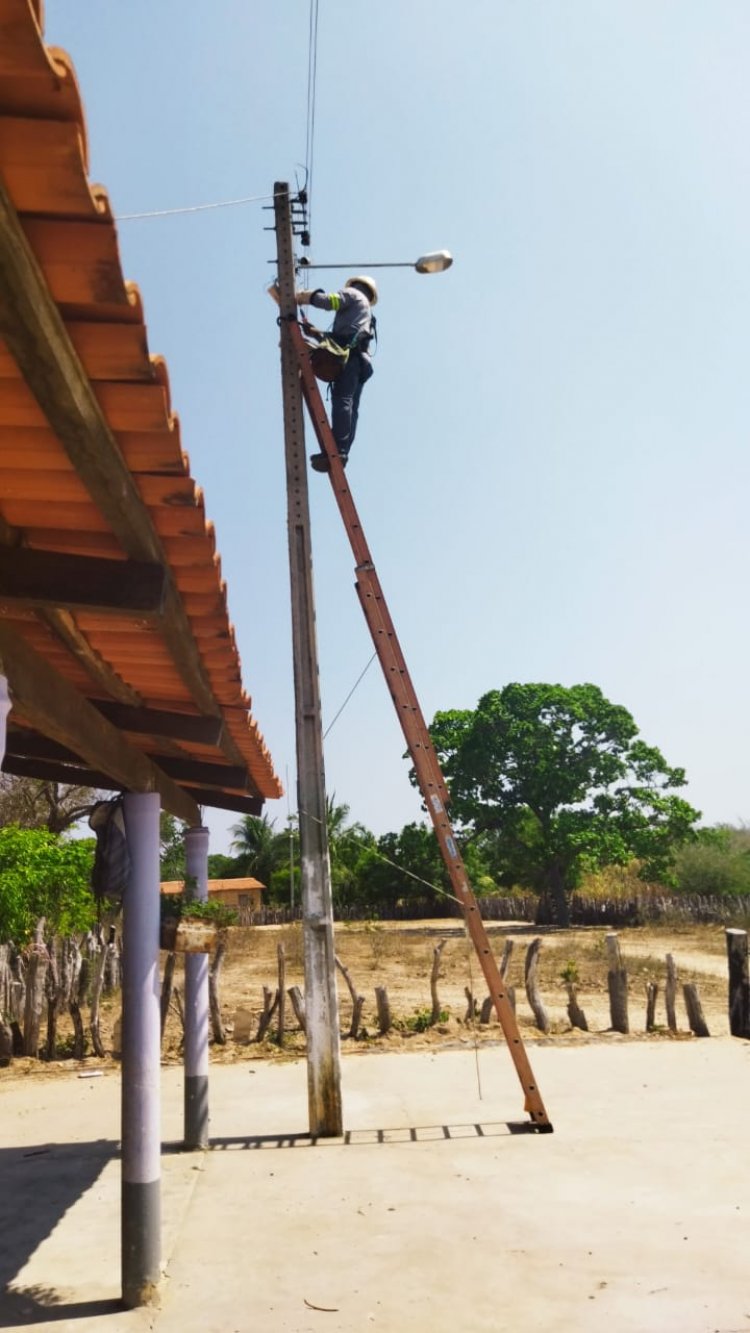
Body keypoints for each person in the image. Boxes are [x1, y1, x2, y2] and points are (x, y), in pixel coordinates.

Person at [294, 275, 378, 470]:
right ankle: (341, 452)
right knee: (352, 407)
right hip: (362, 361)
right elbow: (344, 337)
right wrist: (316, 333)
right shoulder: (365, 310)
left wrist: (304, 297)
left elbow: (329, 302)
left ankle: (337, 449)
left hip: (351, 359)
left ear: (356, 285)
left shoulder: (353, 294)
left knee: (342, 400)